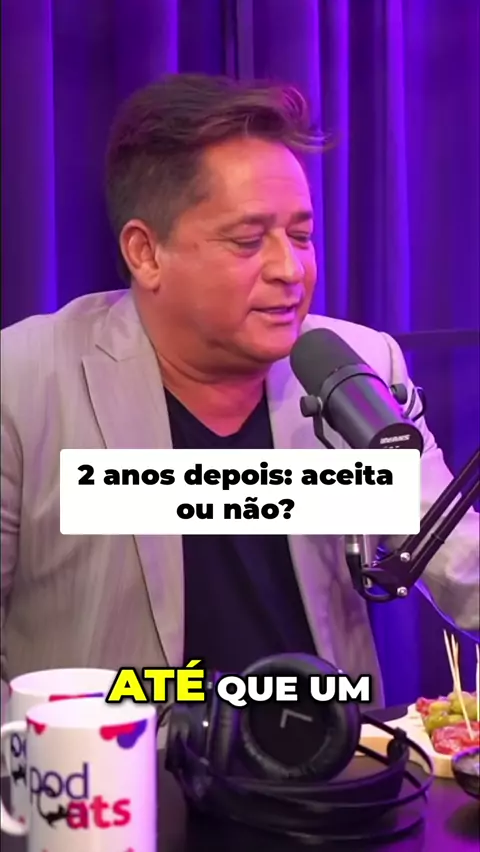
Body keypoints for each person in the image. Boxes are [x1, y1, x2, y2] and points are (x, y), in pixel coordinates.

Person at [1, 74, 478, 713]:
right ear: (146, 253)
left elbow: (460, 561)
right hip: (114, 769)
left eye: (301, 236)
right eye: (249, 241)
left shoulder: (358, 366)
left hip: (337, 766)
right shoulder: (24, 383)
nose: (291, 270)